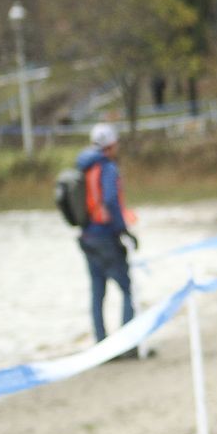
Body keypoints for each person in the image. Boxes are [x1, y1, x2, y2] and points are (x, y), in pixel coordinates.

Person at [76, 123, 139, 352]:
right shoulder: (108, 168)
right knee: (128, 289)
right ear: (111, 145)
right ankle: (129, 344)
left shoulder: (83, 167)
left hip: (86, 237)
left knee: (97, 293)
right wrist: (123, 231)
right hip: (105, 237)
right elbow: (111, 201)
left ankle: (101, 344)